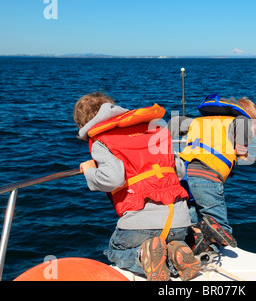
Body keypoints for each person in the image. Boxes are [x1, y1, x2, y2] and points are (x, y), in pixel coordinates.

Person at [74, 92, 201, 281]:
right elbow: (180, 171)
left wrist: (89, 170)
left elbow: (113, 179)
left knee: (114, 250)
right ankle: (178, 251)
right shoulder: (155, 130)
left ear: (83, 124)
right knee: (166, 247)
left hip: (140, 226)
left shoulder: (102, 139)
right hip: (179, 222)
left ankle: (142, 256)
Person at [169, 94, 256, 254]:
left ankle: (192, 249)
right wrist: (242, 151)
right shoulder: (241, 122)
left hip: (183, 173)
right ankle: (212, 248)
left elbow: (174, 122)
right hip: (207, 175)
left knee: (188, 219)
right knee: (220, 227)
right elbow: (241, 149)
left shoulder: (198, 121)